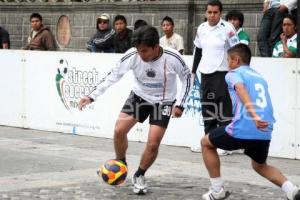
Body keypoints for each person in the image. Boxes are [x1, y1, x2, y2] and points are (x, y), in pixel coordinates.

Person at [78, 25, 192, 194]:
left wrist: (181, 104)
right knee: (119, 130)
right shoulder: (133, 54)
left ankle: (139, 174)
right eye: (138, 50)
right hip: (139, 97)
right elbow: (112, 76)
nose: (141, 55)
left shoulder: (173, 57)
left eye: (144, 51)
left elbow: (188, 79)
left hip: (164, 102)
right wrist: (91, 96)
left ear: (156, 47)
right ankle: (120, 164)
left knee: (153, 143)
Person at [200, 43, 300, 200]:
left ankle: (217, 190)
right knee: (259, 165)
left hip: (245, 125)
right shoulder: (259, 76)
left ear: (237, 60)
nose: (228, 64)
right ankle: (291, 190)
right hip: (265, 130)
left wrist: (253, 115)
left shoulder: (233, 74)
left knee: (206, 143)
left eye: (229, 60)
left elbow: (240, 89)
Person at [192, 0, 239, 155]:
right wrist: (193, 72)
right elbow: (198, 51)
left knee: (223, 110)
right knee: (208, 109)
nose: (212, 15)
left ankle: (225, 145)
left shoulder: (228, 29)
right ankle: (208, 141)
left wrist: (237, 73)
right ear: (206, 13)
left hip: (223, 73)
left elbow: (237, 51)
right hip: (205, 74)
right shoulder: (201, 28)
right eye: (209, 12)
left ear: (220, 13)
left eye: (215, 12)